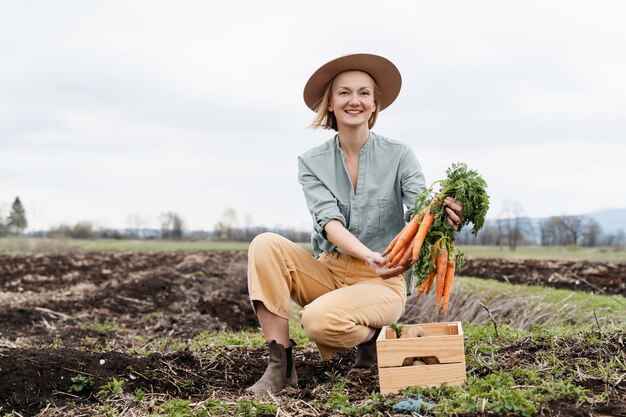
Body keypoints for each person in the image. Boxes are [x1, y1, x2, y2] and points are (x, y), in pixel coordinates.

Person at [245, 53, 464, 396]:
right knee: (264, 244)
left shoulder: (399, 155)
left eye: (364, 93)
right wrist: (365, 253)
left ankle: (375, 337)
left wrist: (443, 220)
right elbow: (328, 222)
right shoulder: (312, 162)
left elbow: (419, 211)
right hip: (330, 272)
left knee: (317, 322)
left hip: (382, 279)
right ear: (330, 103)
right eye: (344, 93)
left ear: (375, 105)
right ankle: (280, 368)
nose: (354, 101)